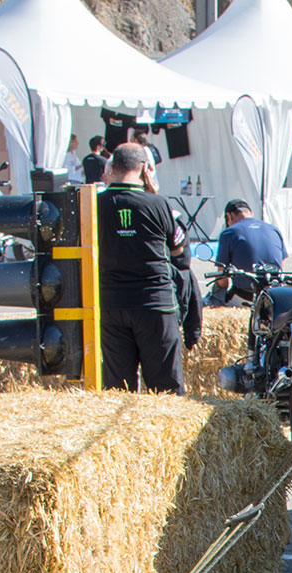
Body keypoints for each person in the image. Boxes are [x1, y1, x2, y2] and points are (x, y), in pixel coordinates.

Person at [98, 142, 185, 393]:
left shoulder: (94, 205)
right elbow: (177, 249)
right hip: (154, 302)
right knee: (166, 385)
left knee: (118, 386)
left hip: (111, 302)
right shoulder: (158, 204)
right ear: (146, 169)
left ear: (111, 169)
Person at [209, 197, 286, 305]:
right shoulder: (274, 229)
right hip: (275, 293)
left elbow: (222, 278)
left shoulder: (229, 233)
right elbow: (281, 264)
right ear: (251, 213)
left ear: (229, 216)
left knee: (212, 300)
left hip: (246, 294)